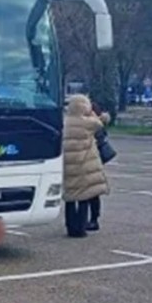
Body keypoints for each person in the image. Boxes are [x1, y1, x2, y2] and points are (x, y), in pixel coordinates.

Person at [62, 94, 110, 238]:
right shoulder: (88, 122)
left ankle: (70, 227)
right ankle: (81, 228)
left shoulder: (65, 122)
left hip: (68, 164)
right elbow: (102, 121)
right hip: (84, 164)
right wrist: (93, 113)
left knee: (70, 197)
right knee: (84, 196)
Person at [87, 101, 114, 232]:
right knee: (92, 192)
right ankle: (92, 218)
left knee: (91, 192)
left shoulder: (94, 125)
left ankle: (93, 219)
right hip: (95, 161)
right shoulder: (98, 123)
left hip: (93, 161)